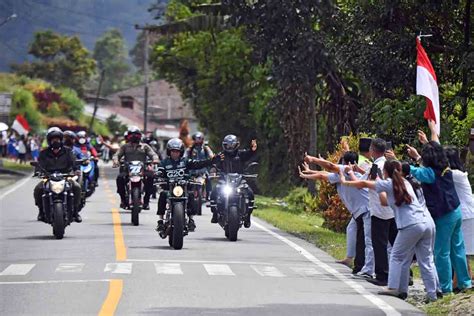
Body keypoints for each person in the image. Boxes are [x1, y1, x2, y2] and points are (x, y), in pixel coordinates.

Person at [338, 160, 439, 302]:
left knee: (396, 256)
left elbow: (363, 184)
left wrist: (344, 180)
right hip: (425, 223)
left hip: (410, 225)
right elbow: (385, 201)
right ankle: (432, 293)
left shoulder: (388, 183)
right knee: (425, 260)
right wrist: (379, 183)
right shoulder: (406, 182)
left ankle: (393, 287)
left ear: (385, 171)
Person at [406, 120, 472, 294]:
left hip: (444, 216)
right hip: (456, 211)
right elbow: (437, 149)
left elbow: (412, 170)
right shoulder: (446, 168)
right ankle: (465, 283)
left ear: (427, 158)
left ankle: (446, 288)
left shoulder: (428, 173)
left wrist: (396, 163)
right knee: (458, 248)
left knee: (441, 252)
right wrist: (432, 133)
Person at [302, 151, 374, 279]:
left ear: (346, 163)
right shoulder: (343, 174)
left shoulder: (346, 170)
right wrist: (308, 173)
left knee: (368, 241)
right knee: (354, 232)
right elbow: (324, 175)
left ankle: (368, 270)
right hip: (359, 211)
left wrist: (313, 159)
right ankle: (352, 260)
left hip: (366, 210)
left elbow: (329, 167)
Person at [156, 138, 219, 233]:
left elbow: (199, 164)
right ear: (169, 151)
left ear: (180, 152)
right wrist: (158, 174)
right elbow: (159, 170)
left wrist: (212, 160)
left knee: (191, 195)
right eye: (173, 151)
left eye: (177, 151)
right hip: (169, 189)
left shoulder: (185, 161)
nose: (175, 153)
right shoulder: (164, 163)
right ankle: (160, 221)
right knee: (163, 194)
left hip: (183, 188)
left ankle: (191, 219)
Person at [364, 139, 397, 286]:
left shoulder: (376, 166)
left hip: (379, 210)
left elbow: (372, 183)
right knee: (396, 244)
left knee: (380, 244)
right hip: (393, 210)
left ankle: (382, 275)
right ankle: (404, 274)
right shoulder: (390, 164)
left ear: (372, 150)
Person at [33, 127, 82, 223]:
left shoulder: (68, 151)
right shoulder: (43, 153)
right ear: (49, 141)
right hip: (48, 177)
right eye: (53, 139)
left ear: (61, 140)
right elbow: (39, 165)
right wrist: (38, 171)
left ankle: (75, 211)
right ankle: (41, 211)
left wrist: (76, 170)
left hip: (66, 177)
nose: (55, 141)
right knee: (38, 189)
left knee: (77, 187)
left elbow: (74, 162)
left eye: (57, 139)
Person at [210, 135, 257, 227]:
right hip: (224, 181)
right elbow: (214, 163)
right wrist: (213, 171)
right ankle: (215, 214)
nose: (230, 147)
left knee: (250, 193)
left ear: (236, 145)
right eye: (228, 145)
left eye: (232, 145)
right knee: (214, 192)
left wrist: (253, 150)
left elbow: (249, 154)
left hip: (239, 181)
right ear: (224, 145)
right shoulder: (221, 155)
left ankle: (247, 216)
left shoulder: (241, 154)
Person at [444, 146, 474, 286]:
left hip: (467, 215)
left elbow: (438, 172)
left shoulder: (456, 174)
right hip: (464, 214)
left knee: (463, 249)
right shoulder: (457, 174)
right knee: (462, 249)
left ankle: (459, 282)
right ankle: (461, 279)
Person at [112, 126, 159, 210]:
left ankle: (146, 200)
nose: (134, 137)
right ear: (128, 136)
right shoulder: (124, 147)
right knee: (120, 179)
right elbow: (117, 155)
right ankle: (123, 200)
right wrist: (116, 161)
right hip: (127, 170)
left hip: (142, 170)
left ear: (140, 136)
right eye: (132, 135)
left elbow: (153, 154)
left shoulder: (145, 146)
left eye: (136, 135)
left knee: (151, 177)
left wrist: (155, 159)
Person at [185, 132, 215, 199]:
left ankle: (209, 193)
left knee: (208, 178)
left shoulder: (206, 148)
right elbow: (184, 158)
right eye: (196, 139)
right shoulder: (190, 149)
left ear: (202, 139)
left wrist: (212, 158)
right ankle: (185, 194)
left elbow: (211, 156)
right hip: (192, 171)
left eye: (199, 139)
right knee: (186, 181)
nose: (197, 140)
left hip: (203, 171)